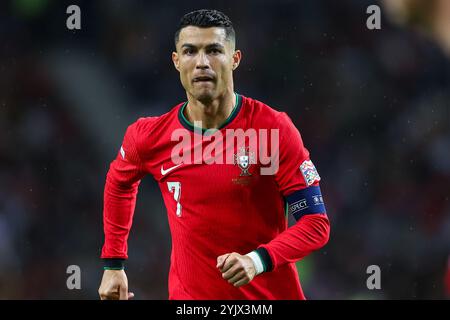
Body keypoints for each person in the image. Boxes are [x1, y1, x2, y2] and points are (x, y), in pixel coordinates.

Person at [98, 9, 330, 300]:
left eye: (214, 50)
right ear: (176, 61)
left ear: (235, 59)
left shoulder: (272, 130)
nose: (202, 63)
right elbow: (119, 182)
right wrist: (113, 263)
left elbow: (315, 225)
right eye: (190, 51)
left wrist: (256, 261)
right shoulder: (149, 136)